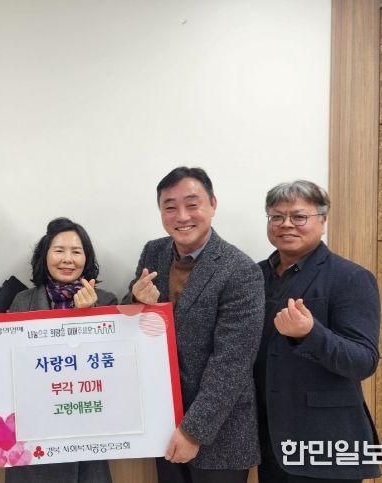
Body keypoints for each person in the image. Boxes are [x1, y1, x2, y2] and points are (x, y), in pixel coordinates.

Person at [125, 166, 265, 483]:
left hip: (220, 431)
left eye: (192, 204)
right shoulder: (153, 251)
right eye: (170, 207)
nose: (182, 216)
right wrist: (135, 299)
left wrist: (193, 431)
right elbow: (138, 322)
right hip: (163, 420)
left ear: (212, 204)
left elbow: (232, 362)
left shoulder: (240, 270)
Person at [254, 180, 381, 483]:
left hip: (328, 440)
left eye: (299, 216)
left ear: (323, 220)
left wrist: (310, 333)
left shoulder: (351, 277)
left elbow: (363, 361)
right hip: (269, 437)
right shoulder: (255, 275)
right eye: (276, 216)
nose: (286, 224)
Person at [5, 217, 118, 483]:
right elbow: (11, 366)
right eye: (59, 250)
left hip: (87, 437)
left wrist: (87, 316)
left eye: (76, 251)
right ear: (45, 255)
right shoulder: (22, 301)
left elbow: (114, 371)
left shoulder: (106, 301)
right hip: (34, 437)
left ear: (86, 259)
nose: (68, 259)